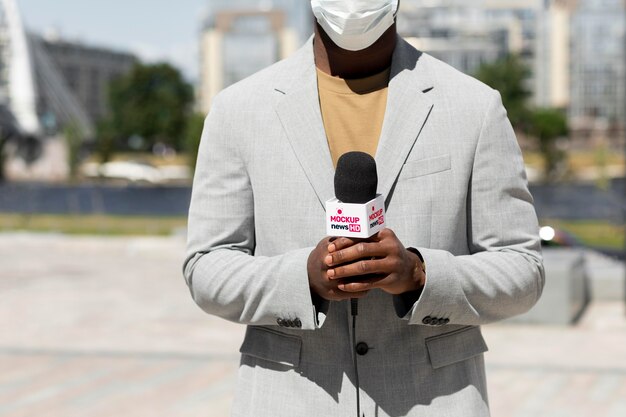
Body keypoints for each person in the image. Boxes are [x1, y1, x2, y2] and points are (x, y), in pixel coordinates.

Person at [183, 1, 545, 416]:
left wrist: (419, 274)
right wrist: (303, 278)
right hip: (287, 400)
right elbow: (206, 267)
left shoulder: (474, 106)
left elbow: (523, 270)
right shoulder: (238, 110)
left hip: (435, 400)